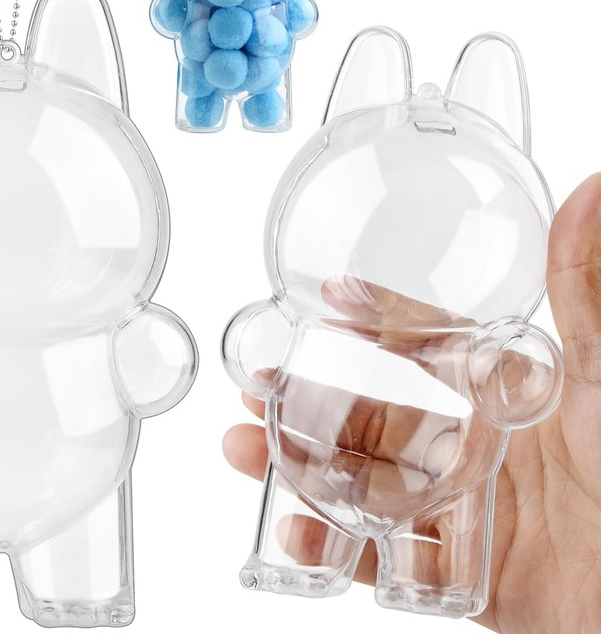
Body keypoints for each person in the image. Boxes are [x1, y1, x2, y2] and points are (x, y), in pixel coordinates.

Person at [223, 174, 601, 633]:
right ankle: (306, 565)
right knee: (302, 486)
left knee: (449, 515)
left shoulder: (489, 331)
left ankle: (438, 584)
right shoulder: (306, 305)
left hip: (455, 466)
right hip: (326, 413)